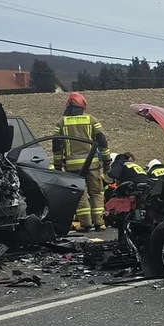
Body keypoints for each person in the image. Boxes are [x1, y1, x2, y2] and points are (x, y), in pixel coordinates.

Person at [53, 92, 111, 232]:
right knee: (96, 193)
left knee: (80, 194)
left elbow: (56, 146)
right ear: (83, 105)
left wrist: (57, 165)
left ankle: (85, 223)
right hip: (92, 164)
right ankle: (99, 223)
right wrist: (107, 161)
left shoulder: (62, 122)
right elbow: (102, 142)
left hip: (73, 167)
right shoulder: (92, 120)